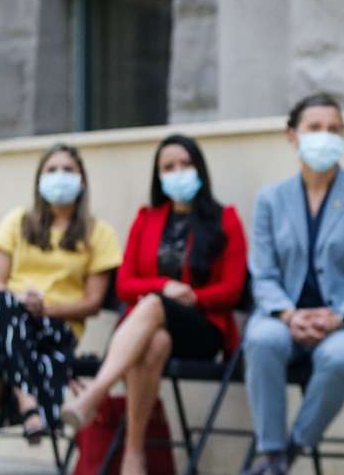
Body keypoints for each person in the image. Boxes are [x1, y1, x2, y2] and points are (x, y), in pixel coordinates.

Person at [61, 134, 247, 475]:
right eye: (168, 167)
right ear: (158, 176)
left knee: (152, 307)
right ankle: (134, 456)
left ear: (200, 169)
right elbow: (125, 283)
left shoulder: (226, 219)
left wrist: (190, 297)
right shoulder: (146, 219)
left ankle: (95, 394)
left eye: (185, 164)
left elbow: (232, 289)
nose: (178, 172)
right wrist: (164, 286)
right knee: (154, 340)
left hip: (202, 331)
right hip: (150, 330)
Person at [240, 93, 344, 475]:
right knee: (261, 339)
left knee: (336, 357)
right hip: (284, 317)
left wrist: (338, 319)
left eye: (334, 129)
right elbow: (264, 273)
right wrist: (289, 315)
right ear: (293, 135)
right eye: (315, 128)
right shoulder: (271, 199)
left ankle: (291, 450)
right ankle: (270, 449)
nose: (326, 136)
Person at [0, 144, 121, 475]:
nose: (60, 177)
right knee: (2, 310)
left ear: (82, 181)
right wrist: (23, 302)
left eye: (68, 170)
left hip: (58, 329)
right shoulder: (17, 222)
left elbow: (92, 302)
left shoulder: (98, 233)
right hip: (12, 314)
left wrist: (46, 309)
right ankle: (28, 402)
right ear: (38, 180)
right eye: (52, 170)